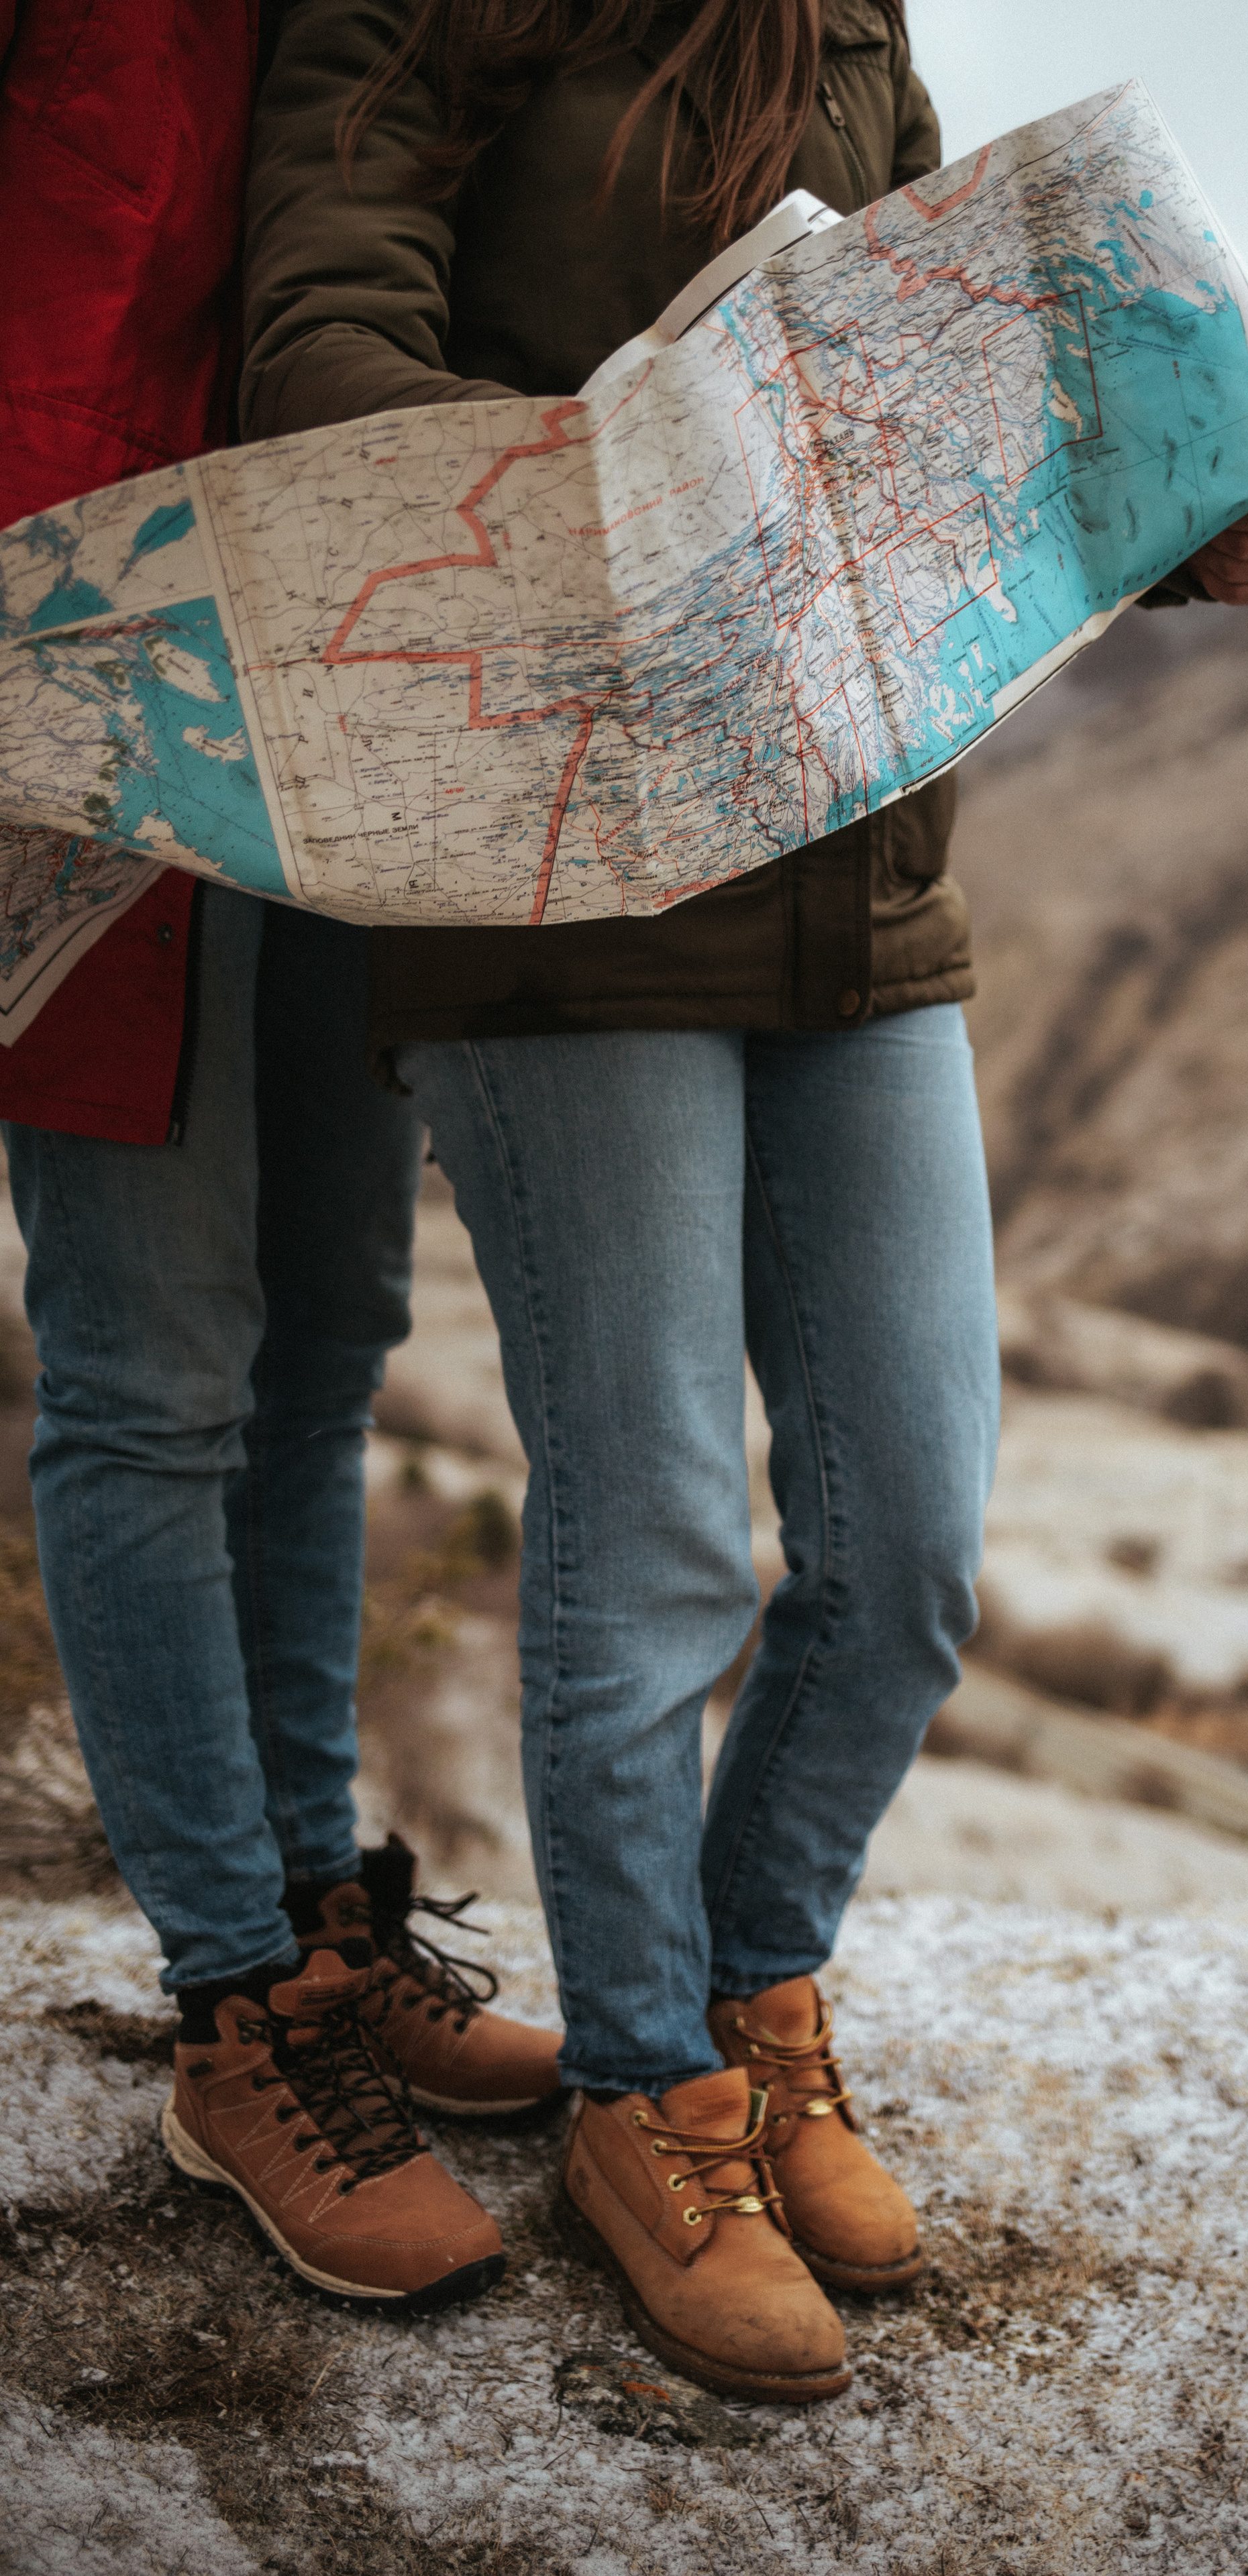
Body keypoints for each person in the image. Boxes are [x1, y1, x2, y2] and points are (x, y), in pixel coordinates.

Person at [240, 0, 1248, 2399]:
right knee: (651, 1542)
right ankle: (650, 2092)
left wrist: (1174, 499)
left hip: (860, 867)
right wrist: (633, 492)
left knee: (912, 1536)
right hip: (568, 873)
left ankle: (753, 1990)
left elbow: (942, 390)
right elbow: (307, 357)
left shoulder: (849, 10)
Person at [0, 0, 559, 2320]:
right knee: (153, 1366)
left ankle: (320, 1906)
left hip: (330, 664)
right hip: (75, 654)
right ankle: (237, 2006)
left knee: (328, 1329)